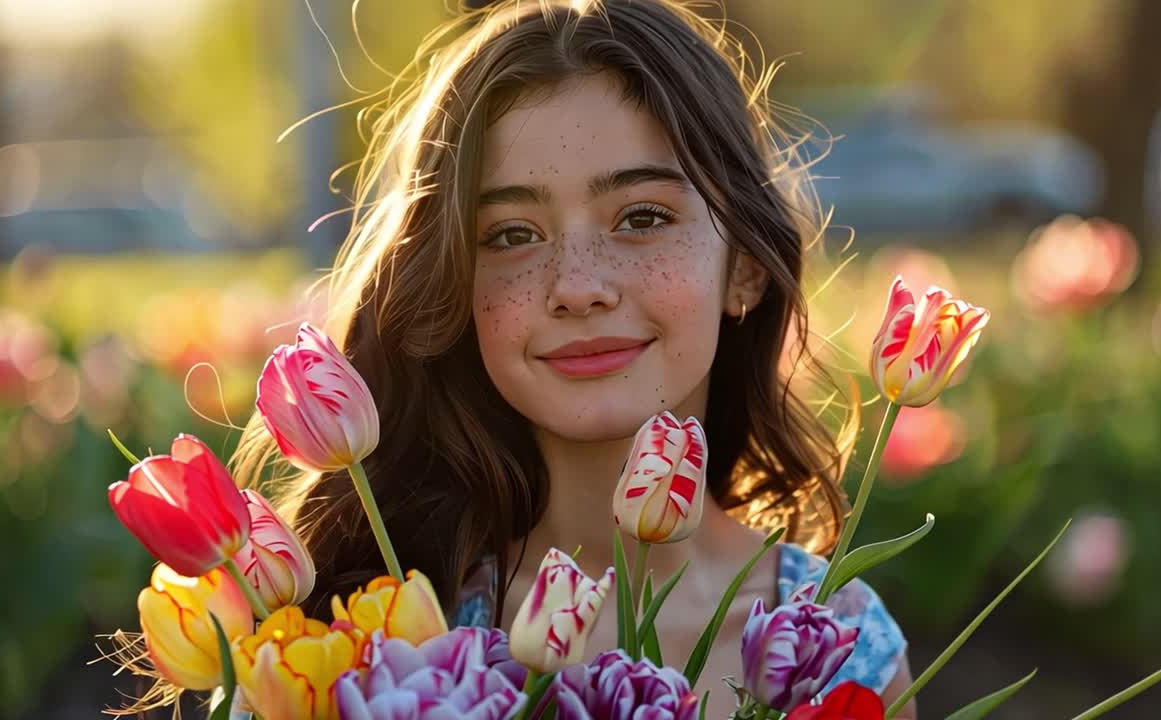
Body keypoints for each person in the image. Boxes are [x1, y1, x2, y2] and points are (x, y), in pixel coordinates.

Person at [232, 0, 916, 715]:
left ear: (744, 265)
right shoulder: (375, 640)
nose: (577, 287)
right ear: (454, 287)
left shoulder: (842, 649)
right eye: (511, 234)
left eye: (642, 218)